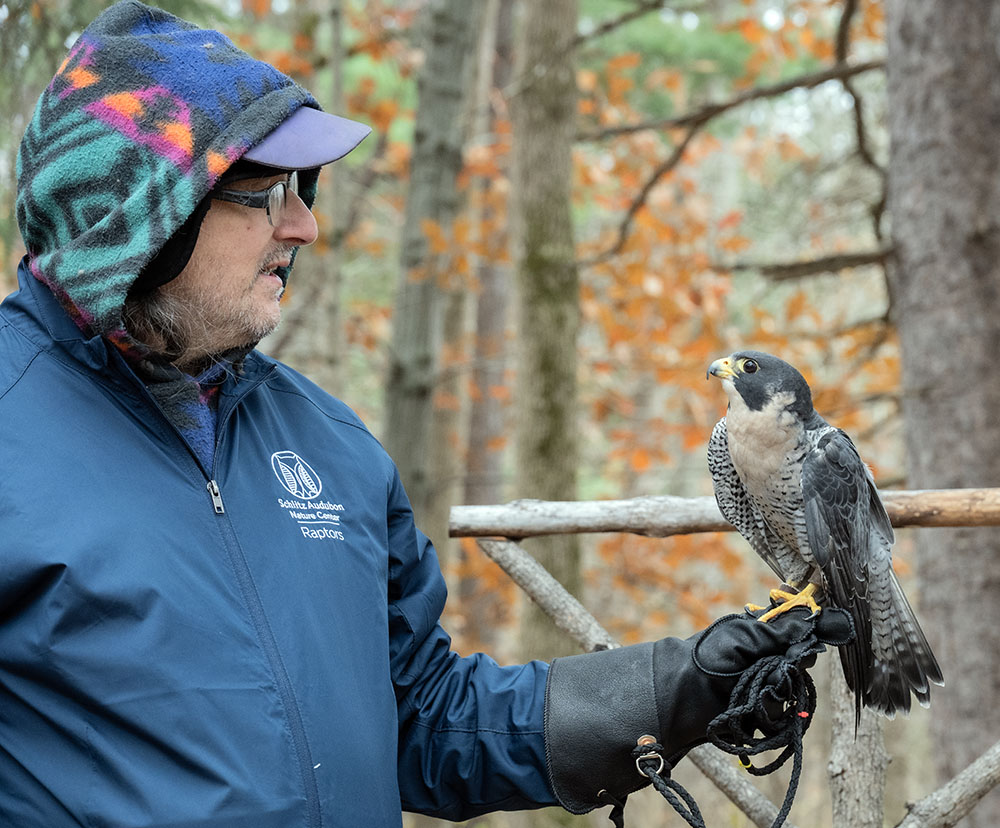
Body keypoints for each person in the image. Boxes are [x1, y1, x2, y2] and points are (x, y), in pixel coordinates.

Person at [1, 2, 851, 826]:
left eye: (303, 190)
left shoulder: (328, 447)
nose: (304, 226)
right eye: (265, 195)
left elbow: (430, 723)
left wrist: (682, 687)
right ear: (141, 216)